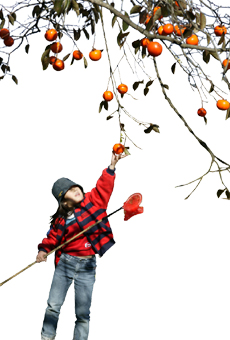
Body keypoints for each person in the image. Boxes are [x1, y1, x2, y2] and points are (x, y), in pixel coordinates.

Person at [36, 151, 127, 340]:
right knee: (53, 306)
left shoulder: (93, 202)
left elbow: (104, 187)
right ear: (63, 200)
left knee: (83, 314)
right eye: (69, 190)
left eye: (75, 186)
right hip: (65, 265)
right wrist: (43, 251)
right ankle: (46, 337)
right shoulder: (61, 219)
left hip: (87, 266)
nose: (76, 190)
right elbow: (51, 238)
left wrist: (111, 167)